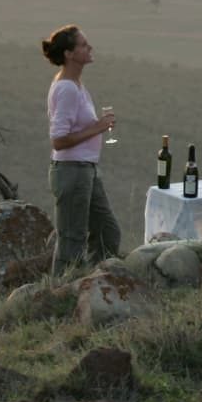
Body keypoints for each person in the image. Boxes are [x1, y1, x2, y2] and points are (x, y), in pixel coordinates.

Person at [42, 24, 121, 275]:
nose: (90, 48)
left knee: (107, 231)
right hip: (71, 170)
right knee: (71, 241)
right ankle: (60, 295)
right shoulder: (66, 88)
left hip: (86, 170)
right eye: (84, 45)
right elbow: (58, 140)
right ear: (69, 54)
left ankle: (94, 284)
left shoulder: (76, 85)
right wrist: (98, 127)